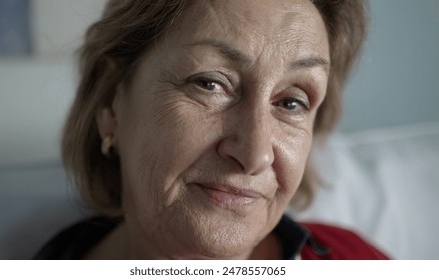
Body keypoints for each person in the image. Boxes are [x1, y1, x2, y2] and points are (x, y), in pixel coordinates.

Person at [35, 0, 389, 259]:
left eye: (291, 103)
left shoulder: (354, 259)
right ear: (111, 102)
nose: (254, 154)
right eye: (209, 83)